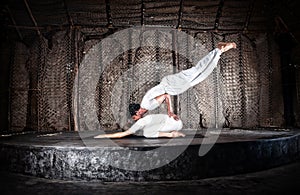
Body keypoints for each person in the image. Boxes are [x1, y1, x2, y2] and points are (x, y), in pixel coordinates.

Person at [131, 42, 237, 121]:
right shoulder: (146, 106)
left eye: (134, 117)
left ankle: (220, 50)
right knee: (201, 75)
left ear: (137, 112)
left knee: (198, 70)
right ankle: (218, 50)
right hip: (172, 86)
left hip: (171, 85)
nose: (135, 119)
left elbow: (166, 96)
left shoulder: (146, 106)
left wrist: (170, 112)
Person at [94, 113, 185, 139]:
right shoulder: (145, 119)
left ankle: (171, 134)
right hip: (176, 123)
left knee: (147, 133)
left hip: (174, 124)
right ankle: (172, 134)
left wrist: (103, 136)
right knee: (148, 132)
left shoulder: (141, 123)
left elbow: (121, 134)